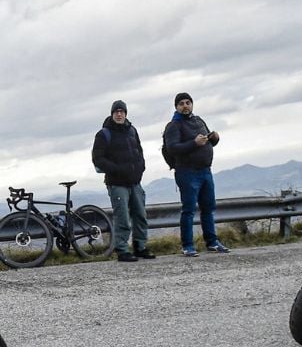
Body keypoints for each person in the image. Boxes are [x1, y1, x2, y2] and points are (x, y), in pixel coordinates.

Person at [163, 93, 230, 257]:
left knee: (208, 207)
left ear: (192, 104)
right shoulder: (173, 125)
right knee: (189, 210)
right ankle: (187, 245)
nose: (185, 106)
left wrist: (215, 138)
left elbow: (208, 142)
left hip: (205, 170)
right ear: (176, 107)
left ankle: (212, 242)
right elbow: (172, 148)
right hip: (187, 172)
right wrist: (194, 143)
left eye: (188, 102)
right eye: (181, 104)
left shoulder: (198, 120)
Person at [92, 100, 154, 262]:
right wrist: (117, 169)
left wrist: (141, 168)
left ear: (126, 113)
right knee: (123, 217)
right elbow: (98, 159)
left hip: (135, 182)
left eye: (122, 111)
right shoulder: (104, 134)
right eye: (116, 112)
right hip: (117, 183)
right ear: (112, 114)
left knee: (140, 215)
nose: (119, 114)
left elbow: (139, 152)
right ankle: (122, 250)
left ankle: (140, 247)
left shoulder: (132, 131)